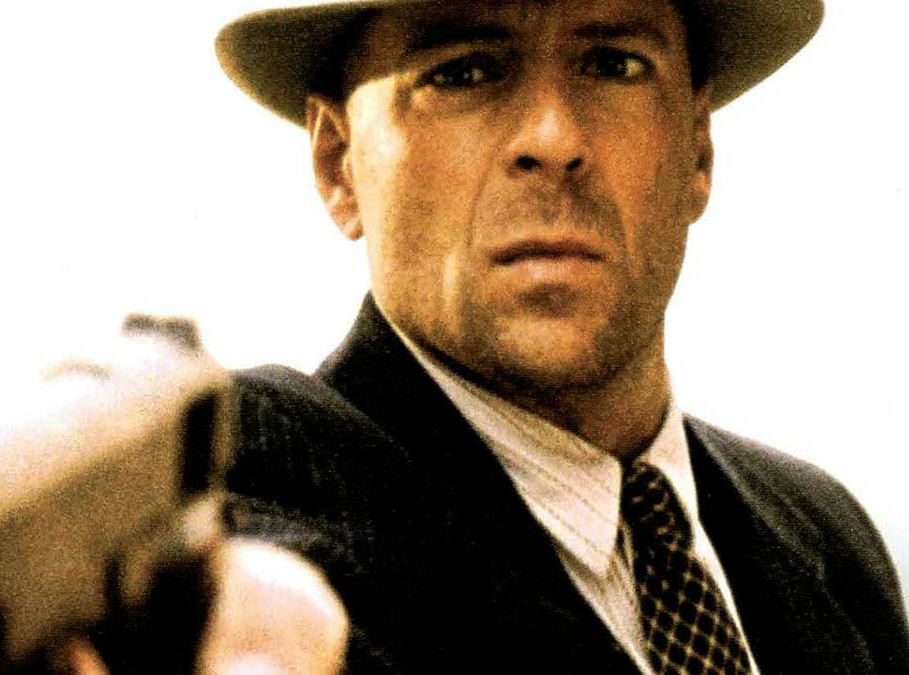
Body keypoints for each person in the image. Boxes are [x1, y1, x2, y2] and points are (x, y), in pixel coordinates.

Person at [210, 0, 909, 673]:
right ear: (339, 163)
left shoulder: (825, 532)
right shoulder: (251, 496)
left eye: (613, 64)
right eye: (463, 73)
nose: (553, 141)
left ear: (698, 148)